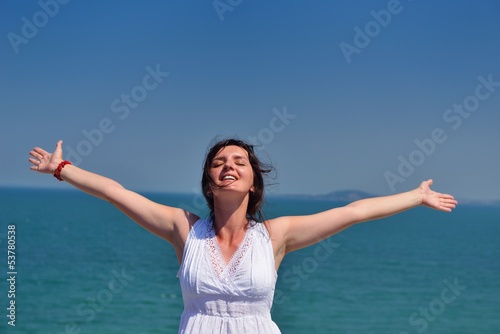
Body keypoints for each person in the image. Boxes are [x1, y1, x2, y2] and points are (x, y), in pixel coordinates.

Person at [29, 138, 457, 333]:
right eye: (219, 162)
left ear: (253, 182)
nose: (228, 165)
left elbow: (353, 211)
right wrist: (63, 169)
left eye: (239, 161)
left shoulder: (276, 235)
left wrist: (416, 196)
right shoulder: (184, 229)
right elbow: (117, 193)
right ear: (209, 182)